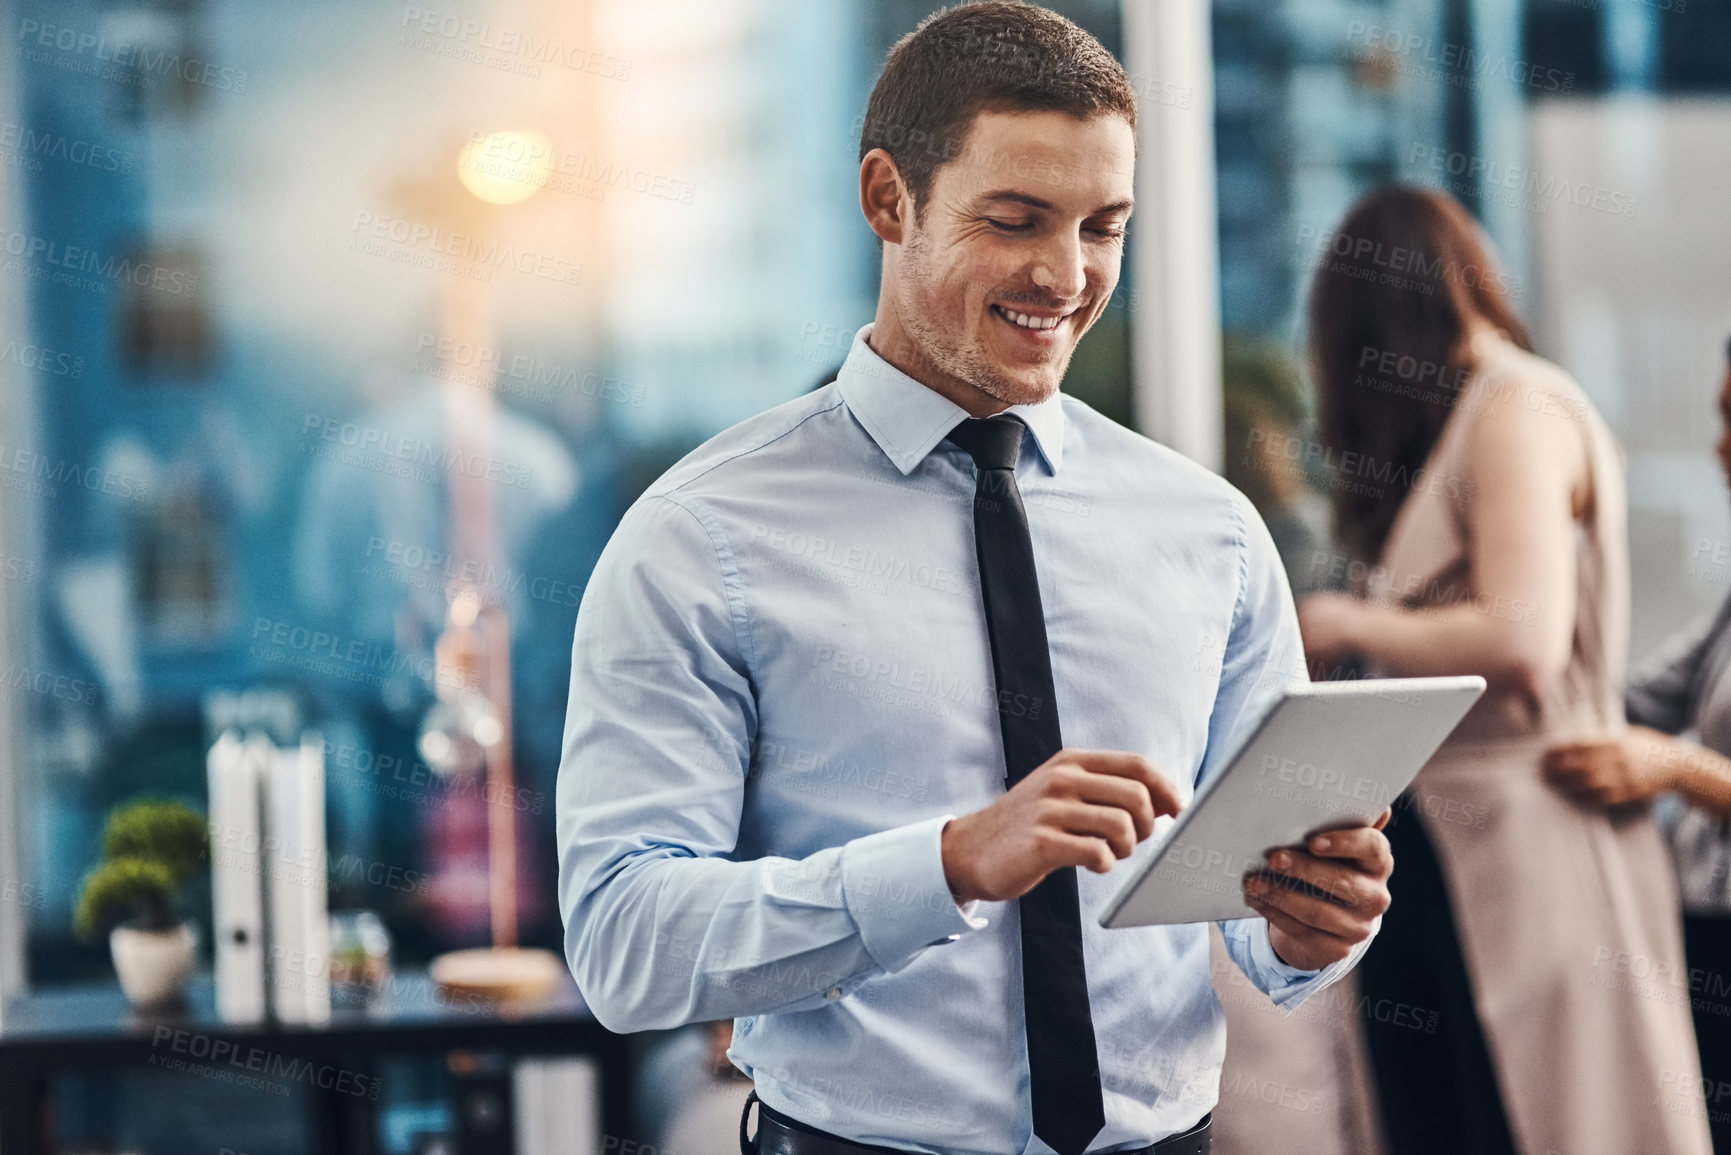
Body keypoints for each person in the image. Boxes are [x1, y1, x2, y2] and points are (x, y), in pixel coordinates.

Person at [555, 5, 1393, 1154]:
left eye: (1106, 226)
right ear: (888, 199)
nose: (1066, 274)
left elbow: (1251, 911)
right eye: (1016, 220)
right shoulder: (704, 536)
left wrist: (1311, 926)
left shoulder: (1210, 532)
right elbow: (623, 944)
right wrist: (947, 864)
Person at [1293, 184, 1710, 1155]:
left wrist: (1351, 620)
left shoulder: (1514, 408)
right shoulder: (1478, 418)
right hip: (1453, 850)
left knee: (1547, 1117)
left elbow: (1522, 638)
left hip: (1535, 842)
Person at [1544, 337, 1731, 1152]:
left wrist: (1676, 768)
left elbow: (1659, 740)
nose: (1716, 445)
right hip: (1698, 925)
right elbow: (1630, 700)